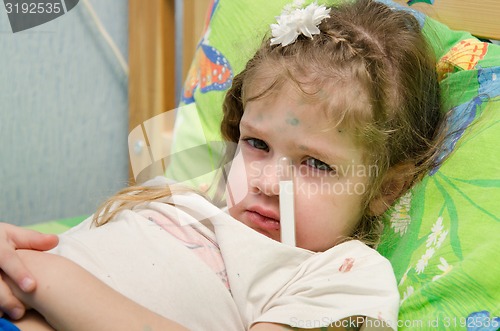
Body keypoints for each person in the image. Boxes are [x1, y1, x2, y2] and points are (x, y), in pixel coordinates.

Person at [0, 0, 445, 329]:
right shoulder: (185, 204)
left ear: (385, 189)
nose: (268, 182)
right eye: (256, 143)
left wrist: (46, 279)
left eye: (315, 164)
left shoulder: (341, 275)